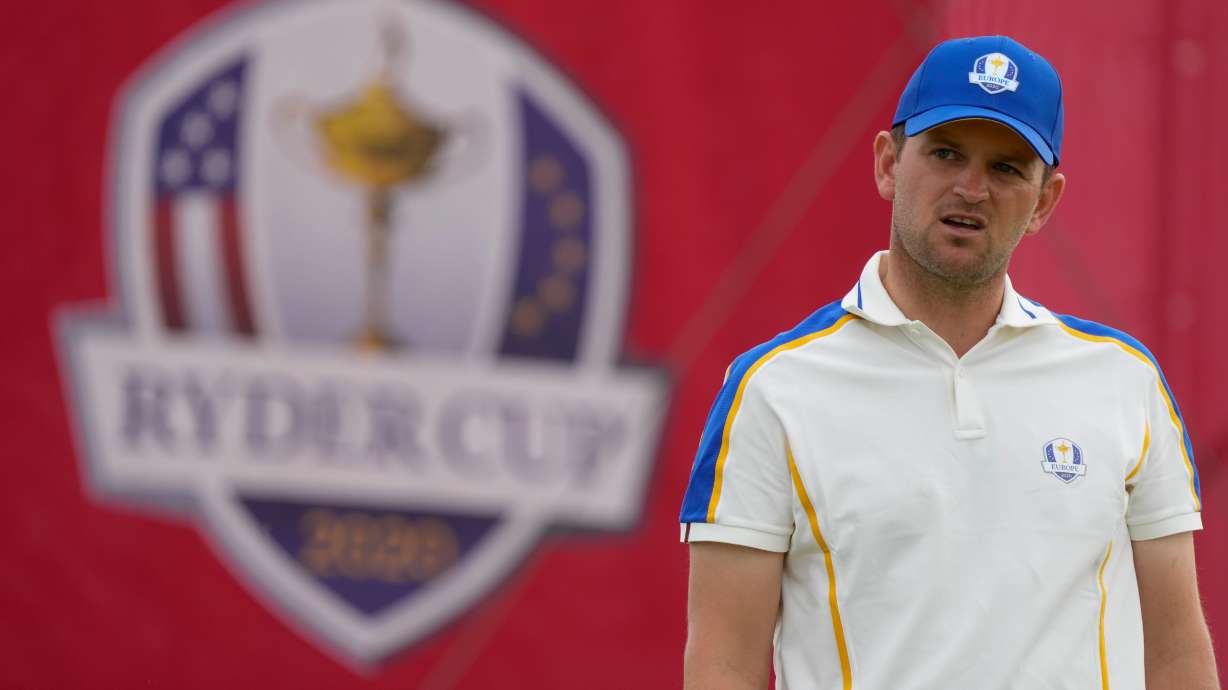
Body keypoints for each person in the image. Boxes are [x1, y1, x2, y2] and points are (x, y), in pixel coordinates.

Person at [679, 35, 1218, 690]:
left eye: (1008, 168)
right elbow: (724, 667)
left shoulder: (1125, 381)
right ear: (887, 164)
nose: (971, 188)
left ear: (1045, 201)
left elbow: (1179, 657)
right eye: (944, 153)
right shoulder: (772, 390)